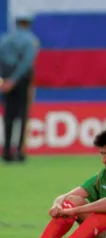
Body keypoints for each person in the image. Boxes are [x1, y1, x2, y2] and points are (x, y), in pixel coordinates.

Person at [0, 13, 39, 162]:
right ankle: (19, 151)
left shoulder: (4, 39)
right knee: (23, 115)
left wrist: (5, 81)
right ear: (28, 24)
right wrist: (14, 80)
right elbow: (26, 63)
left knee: (8, 115)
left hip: (6, 80)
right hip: (22, 81)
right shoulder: (30, 40)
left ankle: (6, 151)